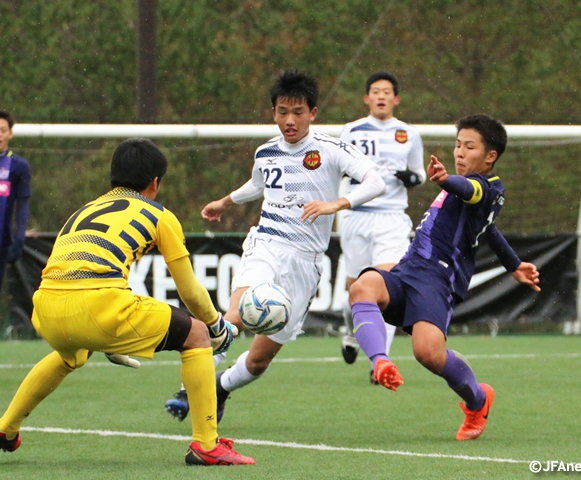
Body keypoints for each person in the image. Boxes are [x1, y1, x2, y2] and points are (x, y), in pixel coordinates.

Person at [0, 138, 255, 466]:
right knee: (196, 335)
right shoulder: (159, 215)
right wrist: (216, 325)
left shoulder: (83, 210)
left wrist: (99, 334)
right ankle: (206, 444)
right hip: (97, 308)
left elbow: (74, 269)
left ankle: (6, 428)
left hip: (47, 308)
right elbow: (190, 291)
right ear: (155, 182)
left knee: (69, 355)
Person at [163, 68, 385, 422]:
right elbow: (257, 185)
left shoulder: (330, 149)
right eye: (283, 112)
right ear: (273, 113)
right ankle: (192, 387)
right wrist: (225, 202)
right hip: (266, 244)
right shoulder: (266, 152)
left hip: (306, 263)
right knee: (234, 318)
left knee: (258, 360)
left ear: (313, 113)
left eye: (298, 112)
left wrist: (335, 204)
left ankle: (221, 388)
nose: (290, 120)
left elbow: (376, 181)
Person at [348, 114, 541, 441]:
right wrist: (514, 263)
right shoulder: (469, 190)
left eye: (469, 147)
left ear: (490, 156)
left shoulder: (487, 188)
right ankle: (380, 362)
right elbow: (489, 229)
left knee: (427, 354)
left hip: (438, 281)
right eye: (457, 145)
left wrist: (445, 179)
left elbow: (470, 189)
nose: (459, 152)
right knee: (363, 286)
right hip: (408, 269)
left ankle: (478, 400)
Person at [338, 72, 426, 383]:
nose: (381, 96)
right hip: (357, 216)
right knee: (356, 287)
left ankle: (380, 362)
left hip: (391, 217)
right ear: (366, 98)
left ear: (396, 99)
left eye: (387, 92)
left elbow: (419, 172)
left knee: (387, 287)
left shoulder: (408, 133)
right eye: (375, 91)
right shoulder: (351, 131)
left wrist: (412, 178)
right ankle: (351, 331)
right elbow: (338, 168)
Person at [0, 110, 31, 295]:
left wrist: (19, 237)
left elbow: (23, 203)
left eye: (3, 130)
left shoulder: (18, 166)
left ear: (10, 133)